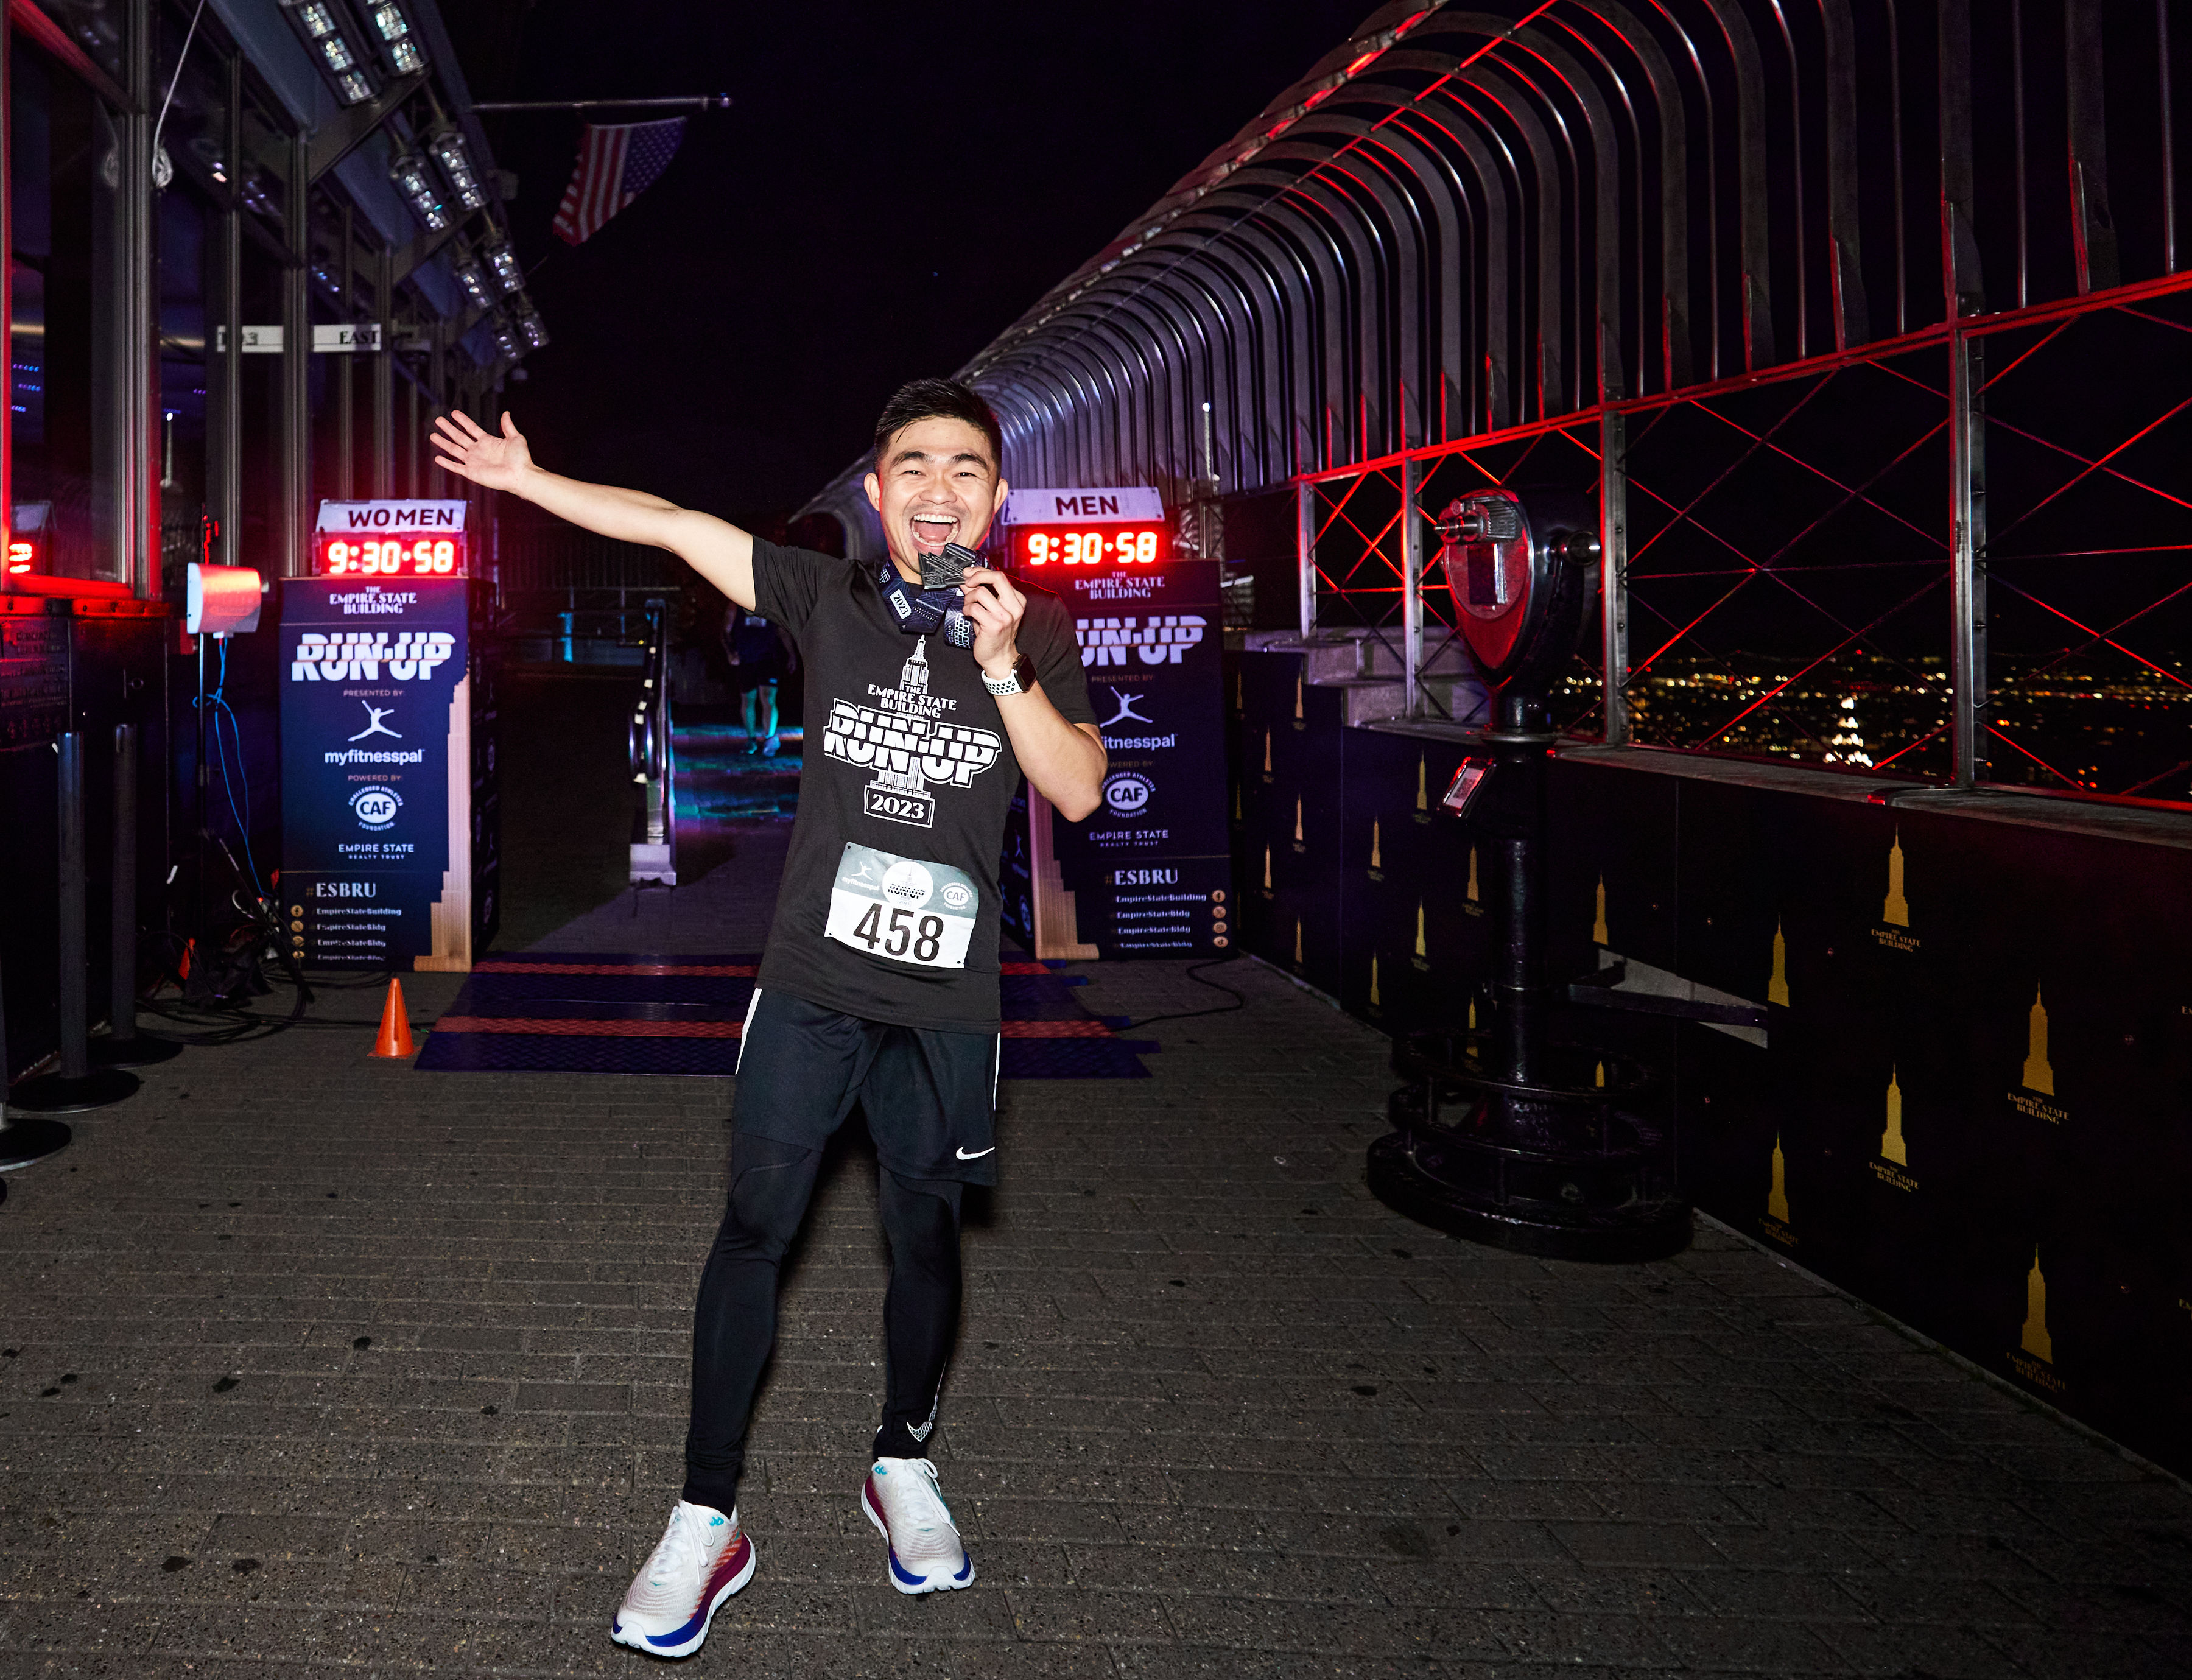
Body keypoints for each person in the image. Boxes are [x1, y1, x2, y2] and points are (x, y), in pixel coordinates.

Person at [432, 379, 1103, 1658]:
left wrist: (1006, 664)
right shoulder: (828, 600)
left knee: (925, 1235)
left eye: (967, 469)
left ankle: (902, 1462)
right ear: (877, 492)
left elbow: (1076, 788)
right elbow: (675, 521)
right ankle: (706, 1515)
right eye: (914, 466)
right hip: (808, 987)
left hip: (945, 1000)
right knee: (754, 1228)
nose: (940, 490)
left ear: (997, 496)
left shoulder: (1037, 627)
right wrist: (530, 487)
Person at [722, 599, 791, 754]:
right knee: (748, 698)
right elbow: (725, 630)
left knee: (768, 698)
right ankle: (751, 740)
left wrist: (791, 653)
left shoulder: (772, 602)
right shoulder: (736, 604)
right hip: (746, 658)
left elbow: (782, 631)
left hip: (768, 658)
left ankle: (769, 738)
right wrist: (730, 653)